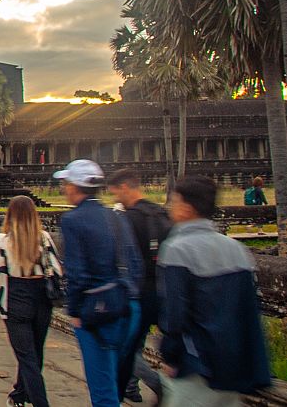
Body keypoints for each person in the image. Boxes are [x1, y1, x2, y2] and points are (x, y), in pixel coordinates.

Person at [157, 175, 271, 404]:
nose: (170, 207)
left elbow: (174, 315)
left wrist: (171, 356)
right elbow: (249, 311)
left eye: (174, 201)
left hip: (197, 365)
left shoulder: (177, 249)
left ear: (186, 209)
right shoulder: (236, 249)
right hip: (234, 364)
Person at [57, 159, 142, 407]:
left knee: (102, 387)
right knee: (117, 381)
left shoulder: (73, 220)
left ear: (75, 187)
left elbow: (77, 272)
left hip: (97, 309)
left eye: (66, 183)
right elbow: (134, 261)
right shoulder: (116, 216)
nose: (64, 188)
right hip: (128, 306)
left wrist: (74, 310)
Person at [0, 195, 64, 407]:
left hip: (17, 297)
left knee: (26, 357)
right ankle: (20, 394)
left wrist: (0, 308)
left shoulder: (3, 241)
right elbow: (57, 270)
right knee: (35, 352)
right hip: (42, 298)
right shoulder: (44, 238)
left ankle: (41, 402)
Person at [106, 168, 171, 404]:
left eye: (115, 192)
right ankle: (131, 388)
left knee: (127, 346)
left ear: (125, 187)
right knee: (136, 343)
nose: (115, 198)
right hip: (163, 289)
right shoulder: (159, 213)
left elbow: (121, 257)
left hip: (137, 291)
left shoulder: (128, 219)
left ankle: (158, 384)